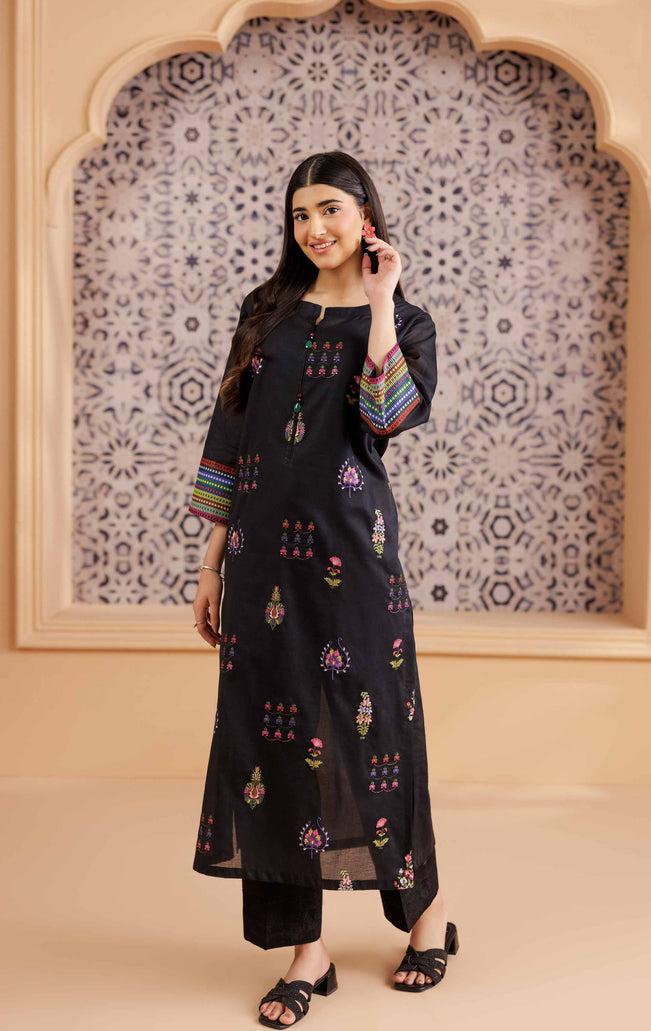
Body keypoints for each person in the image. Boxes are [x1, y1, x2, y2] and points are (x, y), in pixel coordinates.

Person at [188, 151, 459, 1026]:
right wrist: (212, 563)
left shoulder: (403, 318)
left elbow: (386, 416)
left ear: (364, 214)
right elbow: (230, 434)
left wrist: (379, 302)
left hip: (354, 556)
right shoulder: (265, 311)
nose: (313, 228)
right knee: (268, 746)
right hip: (260, 561)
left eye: (330, 210)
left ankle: (426, 917)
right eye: (301, 213)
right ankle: (306, 950)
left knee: (376, 734)